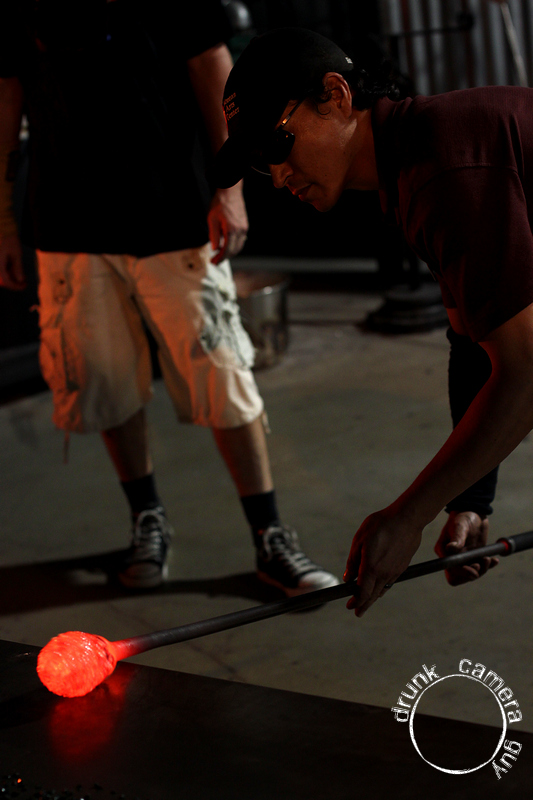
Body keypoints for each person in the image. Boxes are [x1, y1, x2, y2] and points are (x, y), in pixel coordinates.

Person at [0, 4, 339, 596]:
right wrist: (4, 219)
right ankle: (147, 519)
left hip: (172, 209)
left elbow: (213, 66)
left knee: (223, 375)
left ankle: (269, 534)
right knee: (106, 381)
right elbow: (7, 95)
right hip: (68, 219)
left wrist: (230, 189)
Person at [213, 27, 533, 614]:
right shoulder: (414, 165)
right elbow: (471, 347)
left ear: (336, 96)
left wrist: (408, 516)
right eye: (261, 164)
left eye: (278, 144)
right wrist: (471, 499)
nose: (278, 177)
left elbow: (525, 375)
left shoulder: (443, 170)